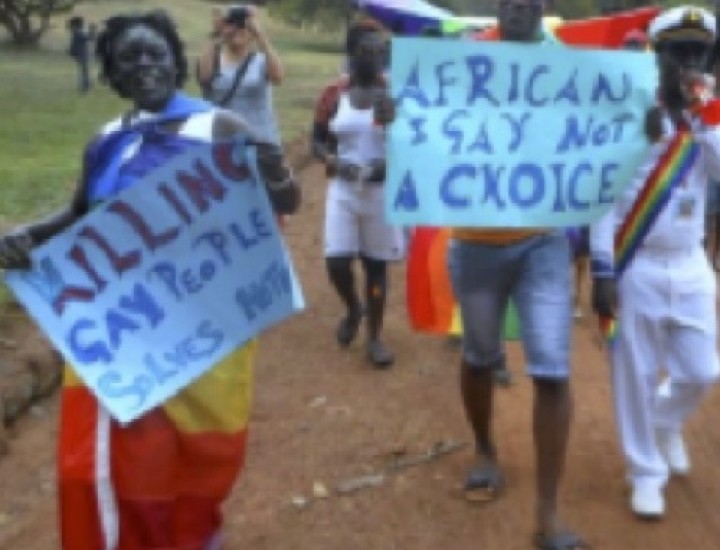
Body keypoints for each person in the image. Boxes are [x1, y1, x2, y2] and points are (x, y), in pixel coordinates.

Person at [0, 10, 298, 549]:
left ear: (175, 62)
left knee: (198, 466)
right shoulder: (106, 141)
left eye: (153, 53)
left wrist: (276, 170)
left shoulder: (219, 127)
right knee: (106, 471)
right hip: (123, 341)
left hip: (202, 340)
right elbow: (78, 216)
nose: (142, 66)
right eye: (127, 58)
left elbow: (285, 202)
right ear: (111, 74)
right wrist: (26, 238)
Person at [447, 1, 586, 548]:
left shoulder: (569, 66)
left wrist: (637, 127)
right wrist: (400, 117)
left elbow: (597, 133)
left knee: (552, 369)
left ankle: (548, 514)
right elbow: (426, 134)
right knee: (480, 355)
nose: (519, 4)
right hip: (476, 241)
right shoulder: (461, 60)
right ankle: (484, 448)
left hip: (543, 240)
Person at [591, 5, 720, 520]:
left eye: (698, 51)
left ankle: (666, 423)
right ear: (657, 54)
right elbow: (605, 197)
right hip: (637, 262)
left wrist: (702, 117)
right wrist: (602, 269)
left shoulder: (709, 113)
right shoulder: (628, 112)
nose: (689, 61)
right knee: (635, 374)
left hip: (690, 262)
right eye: (678, 51)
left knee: (702, 370)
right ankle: (646, 472)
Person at [312, 27, 404, 368]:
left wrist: (391, 157)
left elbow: (415, 143)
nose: (373, 57)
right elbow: (317, 141)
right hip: (344, 188)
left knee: (375, 268)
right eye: (365, 51)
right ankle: (353, 307)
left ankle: (375, 337)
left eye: (379, 51)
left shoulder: (393, 97)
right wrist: (331, 160)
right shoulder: (334, 95)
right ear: (352, 55)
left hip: (380, 192)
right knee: (337, 262)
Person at [196, 4, 283, 149]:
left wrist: (260, 35)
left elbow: (278, 77)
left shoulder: (261, 61)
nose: (238, 29)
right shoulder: (213, 59)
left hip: (259, 142)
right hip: (222, 145)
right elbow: (203, 77)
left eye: (244, 26)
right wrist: (217, 34)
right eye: (232, 23)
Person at [67, 16, 94, 93]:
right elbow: (90, 37)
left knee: (84, 70)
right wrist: (92, 30)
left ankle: (86, 84)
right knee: (84, 71)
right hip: (82, 54)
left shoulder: (76, 32)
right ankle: (85, 85)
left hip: (81, 54)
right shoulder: (78, 32)